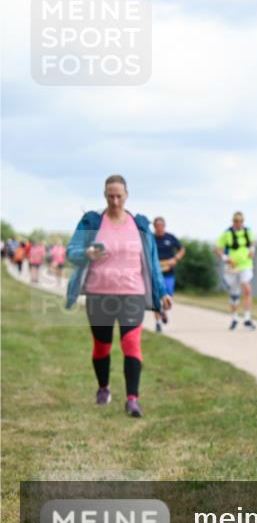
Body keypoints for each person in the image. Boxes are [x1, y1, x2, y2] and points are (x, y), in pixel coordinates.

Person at [65, 174, 172, 418]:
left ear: (127, 195)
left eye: (119, 196)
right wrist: (87, 253)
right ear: (105, 195)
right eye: (110, 196)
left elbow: (152, 261)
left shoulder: (140, 225)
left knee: (131, 343)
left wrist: (162, 291)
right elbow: (71, 252)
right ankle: (103, 388)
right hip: (99, 294)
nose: (115, 202)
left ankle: (132, 399)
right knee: (102, 346)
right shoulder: (92, 221)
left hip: (132, 293)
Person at [215, 212, 255, 331]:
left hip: (246, 265)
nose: (238, 223)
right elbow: (217, 248)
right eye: (236, 221)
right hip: (232, 267)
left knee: (247, 288)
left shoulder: (248, 231)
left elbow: (252, 243)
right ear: (233, 221)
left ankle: (247, 318)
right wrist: (226, 258)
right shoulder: (227, 233)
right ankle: (234, 318)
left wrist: (252, 250)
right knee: (234, 293)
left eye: (240, 221)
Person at [152, 217, 185, 333]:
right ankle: (158, 323)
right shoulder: (151, 238)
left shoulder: (170, 238)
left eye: (161, 225)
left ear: (164, 226)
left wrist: (175, 259)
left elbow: (182, 249)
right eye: (157, 225)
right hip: (155, 273)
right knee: (156, 298)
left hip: (168, 273)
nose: (159, 228)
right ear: (154, 226)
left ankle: (163, 311)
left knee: (168, 299)